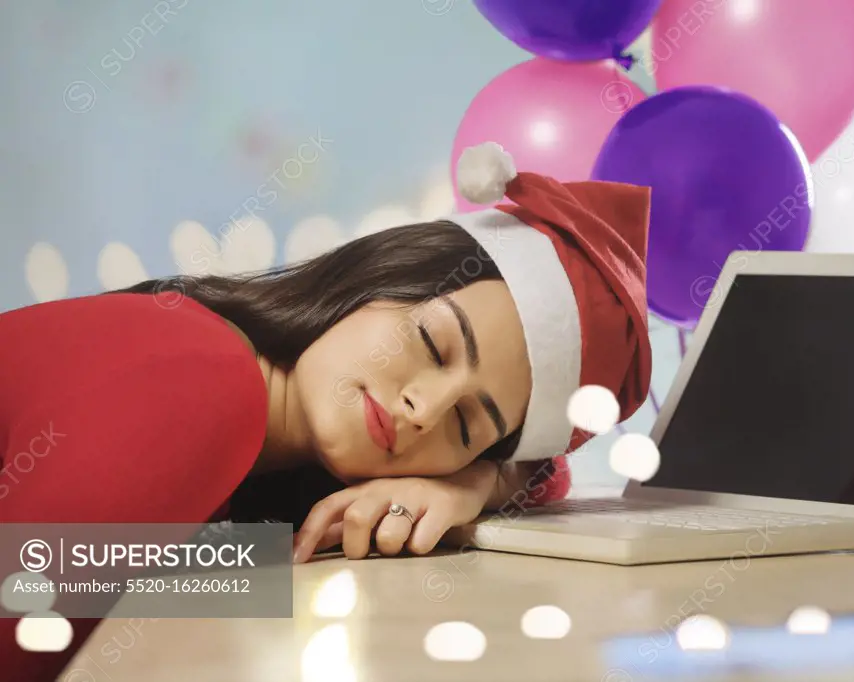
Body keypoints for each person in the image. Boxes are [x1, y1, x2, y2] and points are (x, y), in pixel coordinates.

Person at [0, 142, 652, 680]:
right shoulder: (208, 379)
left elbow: (99, 573)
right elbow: (24, 615)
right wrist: (271, 565)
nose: (423, 409)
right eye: (431, 343)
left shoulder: (255, 427)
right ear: (375, 278)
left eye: (465, 427)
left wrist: (475, 484)